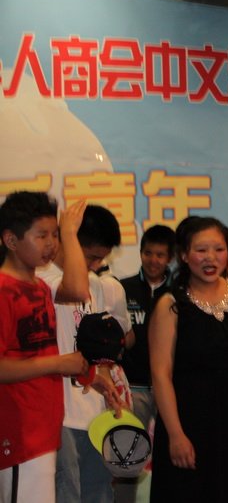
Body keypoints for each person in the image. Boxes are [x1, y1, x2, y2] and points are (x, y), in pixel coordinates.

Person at [148, 216, 228, 503]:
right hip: (187, 420)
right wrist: (175, 434)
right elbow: (160, 375)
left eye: (218, 249)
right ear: (184, 255)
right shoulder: (171, 304)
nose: (211, 258)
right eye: (201, 250)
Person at [0, 193, 99, 503]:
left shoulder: (41, 286)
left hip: (44, 428)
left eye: (54, 235)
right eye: (41, 235)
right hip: (19, 433)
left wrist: (69, 233)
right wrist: (58, 364)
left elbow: (79, 289)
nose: (51, 244)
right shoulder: (3, 290)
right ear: (11, 240)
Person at [37, 204, 131, 503]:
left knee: (99, 494)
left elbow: (96, 350)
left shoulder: (96, 285)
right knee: (66, 493)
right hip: (59, 416)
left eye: (102, 258)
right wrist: (67, 229)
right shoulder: (43, 281)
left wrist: (105, 384)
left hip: (93, 416)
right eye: (90, 257)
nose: (95, 265)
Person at [117, 224, 175, 501]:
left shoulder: (179, 293)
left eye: (160, 255)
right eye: (148, 253)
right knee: (127, 455)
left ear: (170, 258)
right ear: (140, 253)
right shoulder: (122, 288)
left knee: (169, 454)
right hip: (133, 388)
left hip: (170, 390)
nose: (153, 260)